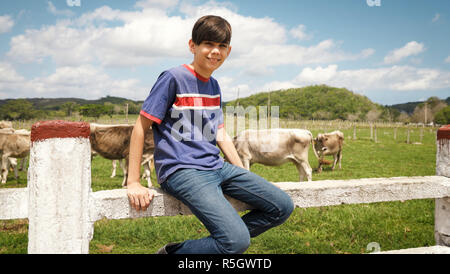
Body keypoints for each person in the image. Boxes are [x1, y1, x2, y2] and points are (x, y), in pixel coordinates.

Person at [126, 15, 294, 254]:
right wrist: (133, 182)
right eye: (208, 44)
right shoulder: (173, 78)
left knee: (282, 206)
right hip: (182, 170)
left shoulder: (214, 86)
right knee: (236, 242)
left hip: (216, 167)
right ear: (192, 46)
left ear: (229, 50)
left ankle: (221, 239)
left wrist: (241, 171)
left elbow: (220, 132)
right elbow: (140, 127)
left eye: (222, 46)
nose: (215, 51)